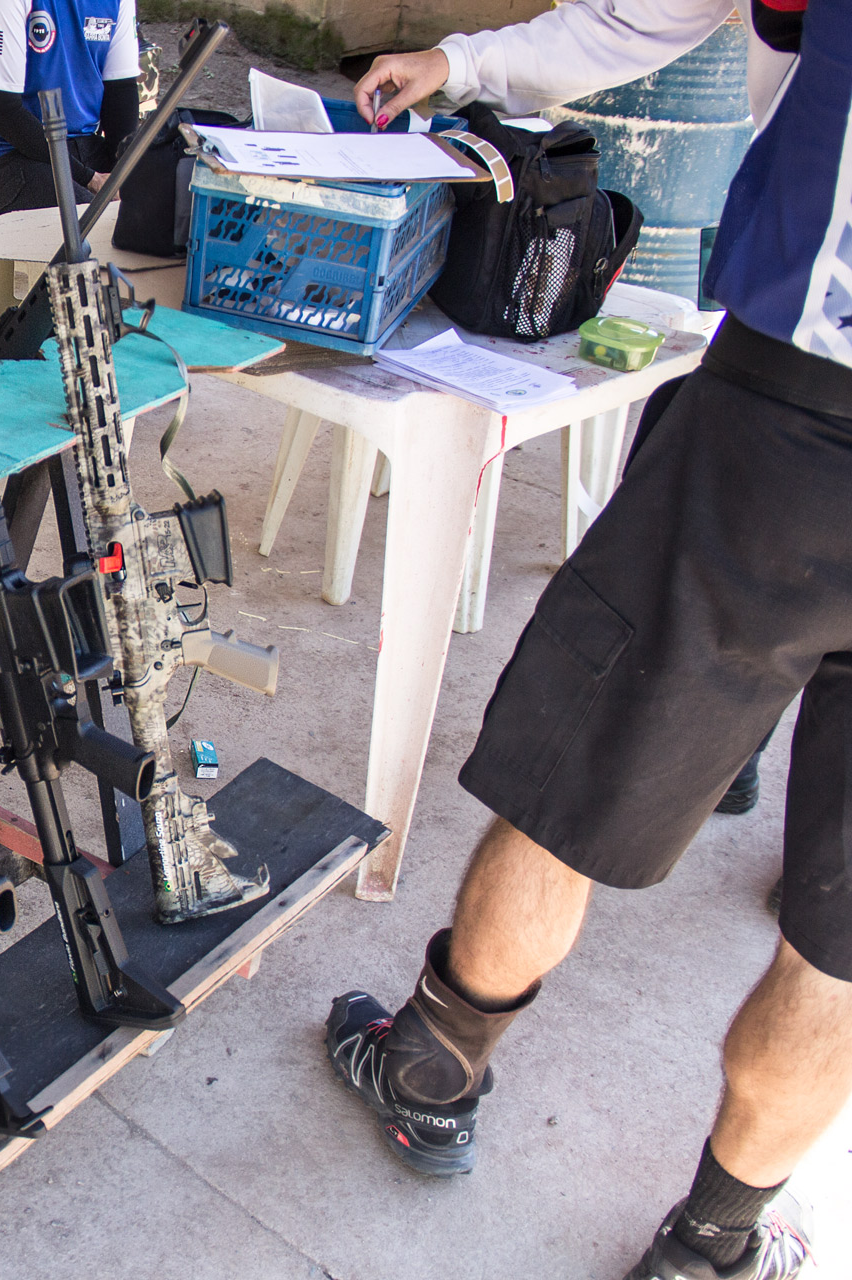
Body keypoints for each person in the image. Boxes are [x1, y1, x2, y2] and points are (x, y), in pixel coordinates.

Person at [328, 3, 850, 1279]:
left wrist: (462, 63)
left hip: (797, 410)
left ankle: (433, 1063)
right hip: (796, 401)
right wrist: (460, 62)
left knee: (584, 780)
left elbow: (639, 17)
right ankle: (713, 1243)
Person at [0, 0, 141, 220]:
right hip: (0, 156)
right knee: (92, 223)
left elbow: (121, 89)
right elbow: (5, 113)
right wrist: (90, 178)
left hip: (81, 146)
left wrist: (123, 171)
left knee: (159, 208)